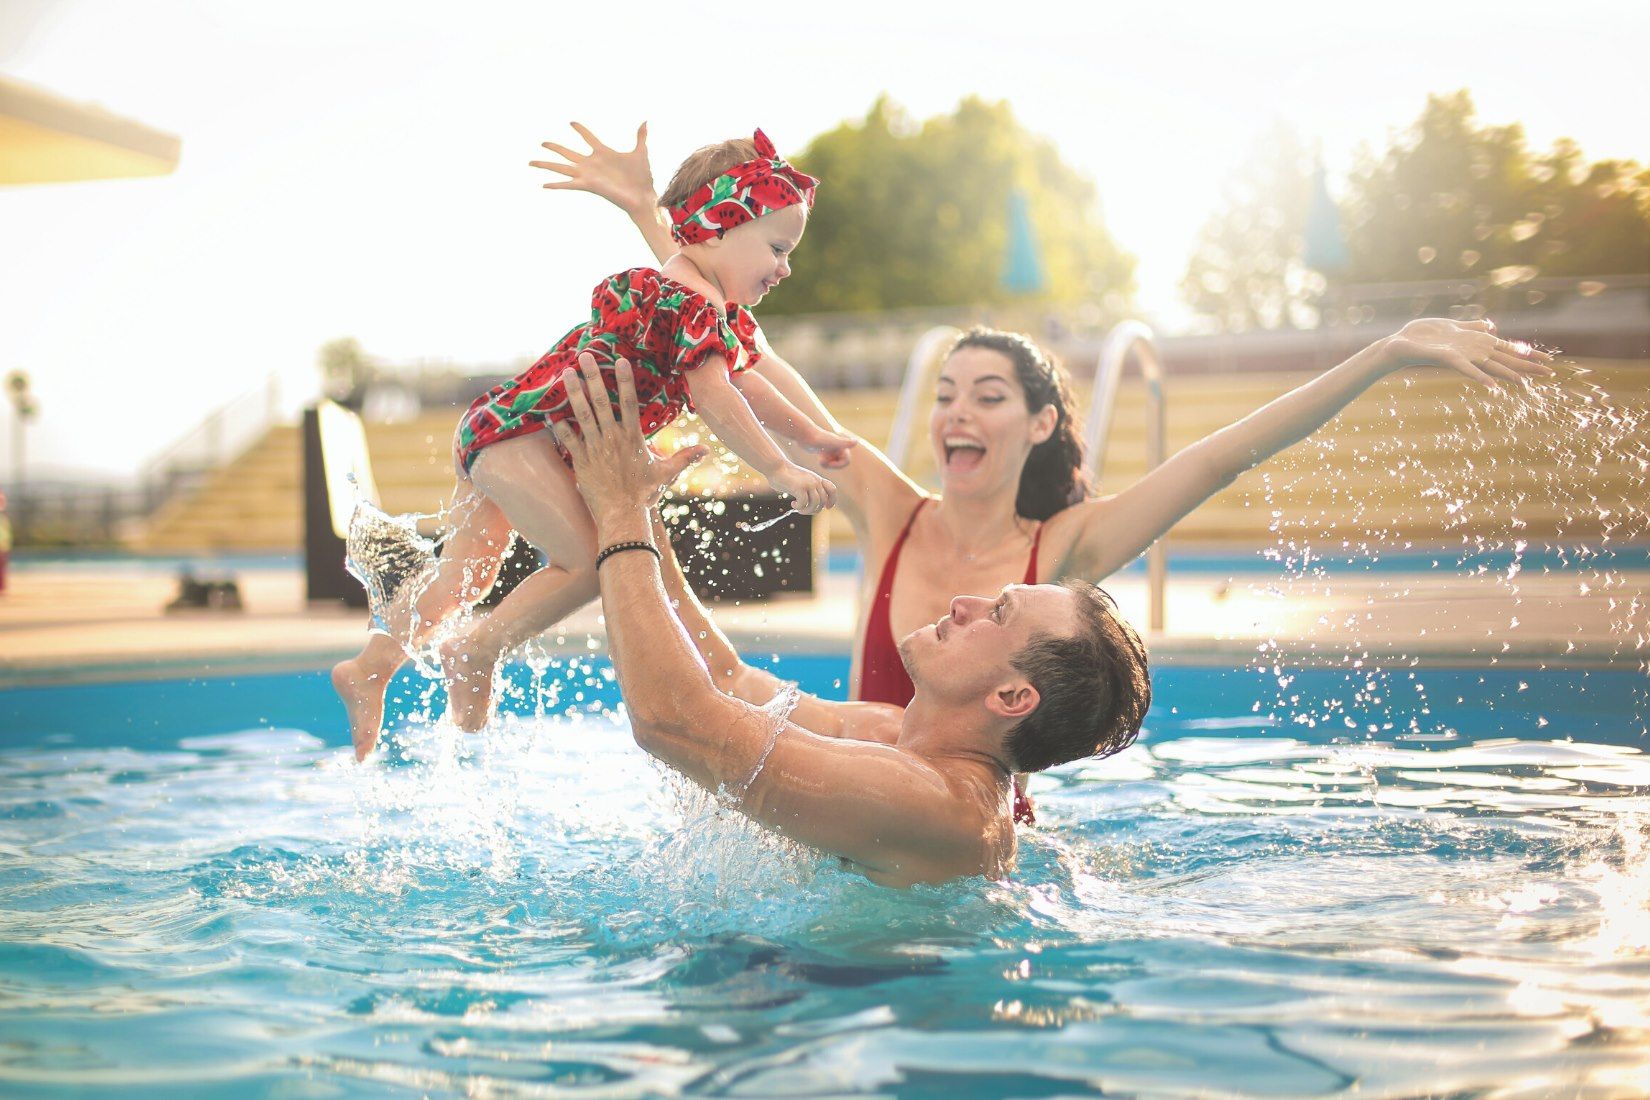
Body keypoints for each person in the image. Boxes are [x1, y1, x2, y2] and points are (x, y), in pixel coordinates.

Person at [534, 123, 1558, 821]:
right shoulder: (892, 512)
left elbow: (1222, 453)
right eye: (945, 391)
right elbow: (746, 351)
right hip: (855, 781)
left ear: (1039, 423)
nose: (953, 414)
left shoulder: (1060, 559)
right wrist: (656, 226)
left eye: (985, 394)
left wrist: (1381, 355)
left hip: (904, 819)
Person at [333, 129, 856, 758]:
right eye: (776, 247)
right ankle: (475, 651)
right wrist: (779, 469)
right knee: (589, 564)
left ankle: (371, 665)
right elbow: (721, 400)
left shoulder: (703, 305)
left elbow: (748, 383)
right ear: (717, 229)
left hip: (505, 430)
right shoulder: (686, 302)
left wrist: (814, 436)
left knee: (467, 575)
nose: (785, 267)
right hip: (526, 438)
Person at [553, 352, 1152, 886]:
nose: (962, 604)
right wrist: (639, 504)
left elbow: (674, 724)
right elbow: (727, 682)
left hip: (842, 998)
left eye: (997, 612)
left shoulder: (932, 805)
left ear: (1014, 696)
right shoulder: (897, 737)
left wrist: (619, 513)